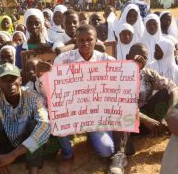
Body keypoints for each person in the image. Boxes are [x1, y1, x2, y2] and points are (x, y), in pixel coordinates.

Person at [53, 24, 126, 174]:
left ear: (96, 40)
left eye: (89, 39)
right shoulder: (63, 59)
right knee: (56, 114)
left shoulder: (108, 60)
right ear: (76, 41)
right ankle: (67, 154)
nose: (85, 43)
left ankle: (92, 137)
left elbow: (121, 85)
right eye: (81, 40)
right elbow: (54, 89)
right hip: (71, 112)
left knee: (106, 150)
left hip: (95, 115)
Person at [0, 63, 51, 174]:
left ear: (20, 80)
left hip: (26, 149)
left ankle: (33, 171)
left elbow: (45, 125)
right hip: (5, 145)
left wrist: (13, 155)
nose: (10, 84)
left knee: (35, 125)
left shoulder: (32, 96)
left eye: (13, 79)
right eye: (5, 80)